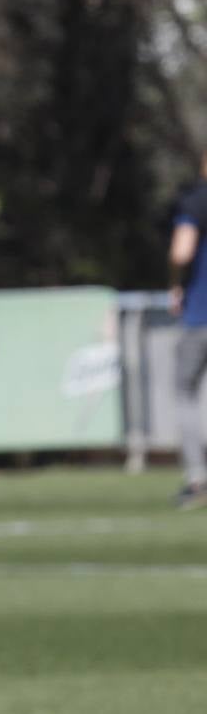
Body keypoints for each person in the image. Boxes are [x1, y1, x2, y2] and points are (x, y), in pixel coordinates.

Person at [167, 151, 207, 510]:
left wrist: (176, 285)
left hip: (200, 316)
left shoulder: (197, 200)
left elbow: (181, 252)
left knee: (185, 393)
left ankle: (197, 478)